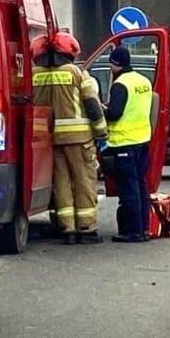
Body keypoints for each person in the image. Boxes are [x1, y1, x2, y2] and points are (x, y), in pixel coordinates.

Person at [31, 32, 107, 244]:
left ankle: (67, 229)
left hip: (50, 140)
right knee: (84, 182)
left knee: (61, 183)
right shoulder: (77, 73)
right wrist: (102, 131)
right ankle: (86, 228)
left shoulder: (34, 75)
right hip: (79, 139)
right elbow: (92, 104)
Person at [102, 45, 154, 243]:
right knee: (140, 185)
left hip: (124, 142)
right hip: (142, 140)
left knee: (129, 188)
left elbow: (115, 114)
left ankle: (132, 231)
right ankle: (144, 228)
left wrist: (101, 110)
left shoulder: (120, 84)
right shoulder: (143, 81)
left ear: (115, 64)